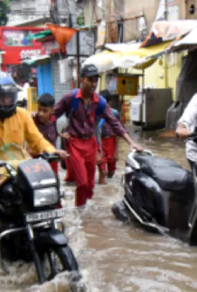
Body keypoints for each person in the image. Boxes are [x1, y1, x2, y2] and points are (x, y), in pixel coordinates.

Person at [0, 72, 69, 250]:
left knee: (43, 192)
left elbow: (36, 140)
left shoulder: (22, 115)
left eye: (9, 97)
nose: (6, 101)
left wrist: (53, 151)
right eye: (2, 97)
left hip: (18, 166)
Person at [53, 64, 143, 207]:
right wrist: (55, 135)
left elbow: (114, 123)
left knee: (90, 185)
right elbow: (53, 115)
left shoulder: (100, 102)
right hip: (74, 143)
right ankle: (80, 210)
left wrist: (130, 142)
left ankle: (83, 215)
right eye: (90, 80)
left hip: (91, 143)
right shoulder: (70, 98)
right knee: (81, 182)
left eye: (96, 80)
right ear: (81, 79)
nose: (93, 84)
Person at [98, 89, 123, 183]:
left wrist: (116, 151)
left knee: (111, 173)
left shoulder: (115, 113)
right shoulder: (96, 113)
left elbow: (117, 132)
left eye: (104, 104)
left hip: (111, 142)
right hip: (100, 142)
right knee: (103, 172)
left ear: (110, 103)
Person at [31, 93, 59, 174]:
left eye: (45, 111)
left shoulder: (55, 121)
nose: (41, 114)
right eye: (39, 110)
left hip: (52, 162)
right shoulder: (33, 122)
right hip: (36, 163)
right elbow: (29, 149)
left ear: (52, 110)